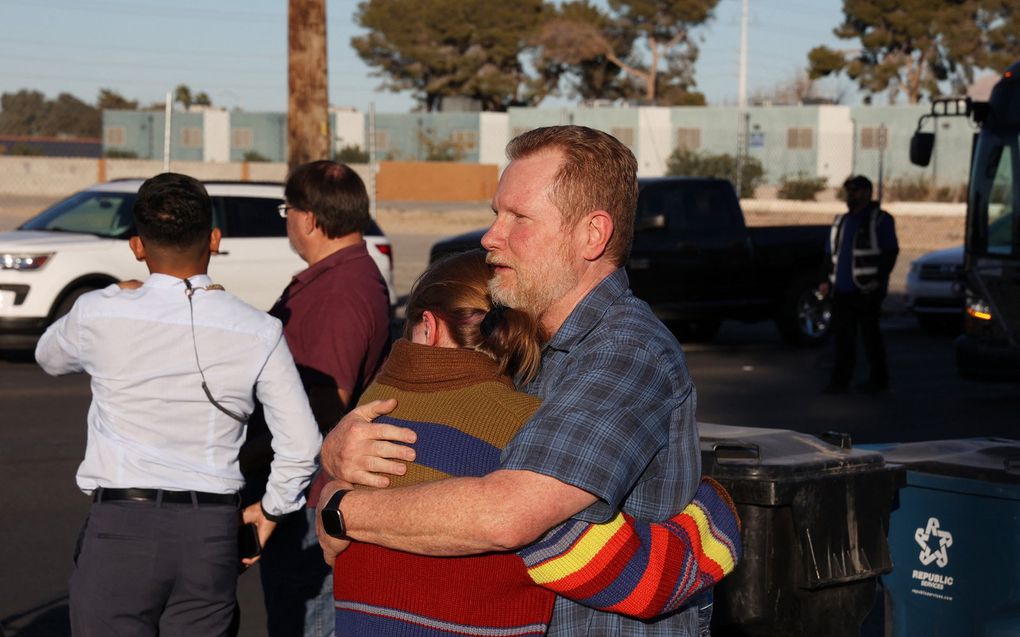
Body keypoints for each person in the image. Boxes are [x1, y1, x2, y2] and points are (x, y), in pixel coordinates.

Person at [317, 125, 706, 634]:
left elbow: (506, 514)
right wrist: (337, 451)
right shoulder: (520, 336)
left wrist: (341, 510)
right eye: (496, 213)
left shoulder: (625, 352)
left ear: (593, 235)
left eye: (518, 217)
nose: (490, 236)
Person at [325, 249, 740, 635]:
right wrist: (714, 520)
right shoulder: (515, 432)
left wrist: (333, 491)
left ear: (428, 326)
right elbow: (635, 580)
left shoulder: (363, 425)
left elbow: (330, 536)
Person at [35, 172, 321, 637]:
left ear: (137, 247)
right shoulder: (258, 330)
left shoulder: (99, 311)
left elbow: (48, 356)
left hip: (120, 528)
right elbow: (303, 445)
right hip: (209, 535)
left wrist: (113, 296)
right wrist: (270, 512)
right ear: (214, 239)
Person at [244, 159, 392, 637]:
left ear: (308, 218)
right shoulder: (334, 279)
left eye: (287, 209)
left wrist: (254, 454)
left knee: (306, 623)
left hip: (307, 499)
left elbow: (326, 403)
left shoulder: (339, 292)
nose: (287, 220)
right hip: (302, 490)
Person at [820, 175, 899, 394]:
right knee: (843, 339)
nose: (850, 196)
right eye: (849, 191)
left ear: (866, 192)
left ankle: (878, 380)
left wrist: (879, 279)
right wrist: (825, 280)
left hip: (866, 291)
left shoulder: (880, 220)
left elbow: (890, 252)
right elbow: (830, 253)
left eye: (854, 191)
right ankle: (840, 381)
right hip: (842, 291)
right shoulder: (841, 221)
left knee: (870, 337)